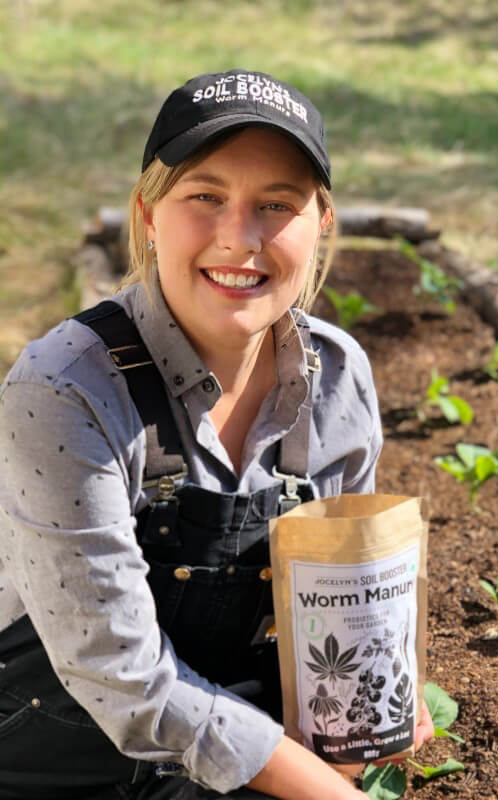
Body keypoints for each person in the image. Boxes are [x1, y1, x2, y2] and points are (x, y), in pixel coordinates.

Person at [0, 69, 433, 800]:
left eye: (277, 204)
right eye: (206, 197)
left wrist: (375, 704)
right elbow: (126, 678)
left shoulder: (336, 374)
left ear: (320, 222)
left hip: (238, 755)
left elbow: (352, 596)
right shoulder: (64, 388)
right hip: (60, 766)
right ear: (148, 214)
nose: (241, 238)